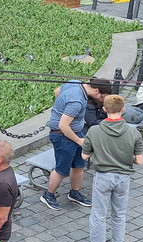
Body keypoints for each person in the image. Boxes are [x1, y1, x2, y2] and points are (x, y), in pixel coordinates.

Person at [78, 95, 143, 242]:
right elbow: (140, 161)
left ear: (104, 109)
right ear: (123, 109)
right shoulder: (132, 131)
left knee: (99, 214)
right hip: (123, 178)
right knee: (119, 214)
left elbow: (85, 156)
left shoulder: (94, 131)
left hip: (103, 176)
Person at [40, 79, 111, 211]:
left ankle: (75, 193)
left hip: (75, 132)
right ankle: (48, 195)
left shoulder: (75, 83)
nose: (101, 101)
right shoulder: (77, 101)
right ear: (96, 91)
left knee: (79, 164)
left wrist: (60, 108)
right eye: (102, 97)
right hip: (63, 136)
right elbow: (63, 125)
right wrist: (79, 140)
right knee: (62, 169)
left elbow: (57, 91)